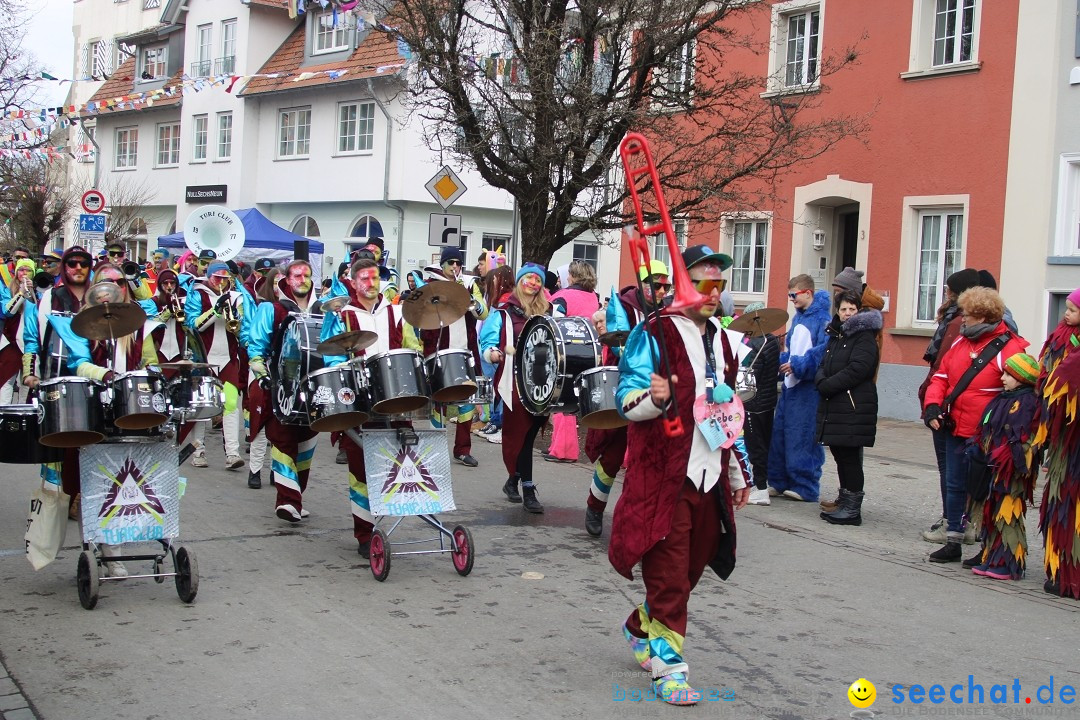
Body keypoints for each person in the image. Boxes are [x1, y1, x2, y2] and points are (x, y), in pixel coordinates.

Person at [609, 247, 749, 705]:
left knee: (692, 569)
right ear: (683, 283)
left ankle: (639, 625)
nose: (713, 293)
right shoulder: (655, 332)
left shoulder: (725, 342)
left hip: (708, 474)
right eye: (704, 283)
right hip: (664, 476)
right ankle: (670, 669)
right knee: (669, 576)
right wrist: (655, 397)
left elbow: (728, 414)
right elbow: (626, 399)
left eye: (720, 285)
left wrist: (735, 473)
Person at [922, 287, 1028, 563]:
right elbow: (940, 376)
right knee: (954, 484)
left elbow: (1021, 389)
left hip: (988, 434)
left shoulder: (1011, 346)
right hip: (955, 426)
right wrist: (932, 405)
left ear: (983, 316)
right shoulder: (960, 342)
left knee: (986, 490)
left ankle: (988, 547)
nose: (963, 319)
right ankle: (954, 540)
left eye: (968, 315)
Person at [318, 257, 405, 556]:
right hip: (359, 397)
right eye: (364, 279)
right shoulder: (341, 314)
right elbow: (329, 354)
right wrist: (346, 365)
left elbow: (410, 347)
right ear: (353, 282)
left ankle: (390, 515)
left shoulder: (395, 310)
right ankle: (364, 534)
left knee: (400, 459)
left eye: (375, 278)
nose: (371, 284)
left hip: (394, 396)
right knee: (360, 467)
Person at [248, 260, 322, 523]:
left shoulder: (321, 312)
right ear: (286, 280)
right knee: (283, 440)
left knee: (306, 444)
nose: (302, 280)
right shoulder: (272, 308)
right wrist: (263, 376)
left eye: (307, 276)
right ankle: (287, 500)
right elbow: (256, 348)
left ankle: (295, 497)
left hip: (313, 388)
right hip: (281, 388)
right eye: (297, 275)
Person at [479, 263, 553, 513]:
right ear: (520, 281)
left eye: (538, 280)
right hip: (515, 383)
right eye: (529, 278)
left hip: (541, 383)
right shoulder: (503, 313)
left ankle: (513, 481)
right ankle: (528, 490)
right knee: (521, 434)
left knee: (530, 433)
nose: (533, 283)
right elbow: (487, 342)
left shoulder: (548, 311)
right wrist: (493, 354)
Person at [917, 269, 982, 543]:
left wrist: (930, 398)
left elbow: (942, 368)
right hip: (953, 404)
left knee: (951, 469)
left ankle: (954, 522)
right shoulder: (957, 322)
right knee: (959, 469)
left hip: (952, 408)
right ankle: (961, 522)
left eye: (948, 289)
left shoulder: (956, 325)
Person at [962, 352, 1039, 581]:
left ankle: (1009, 561)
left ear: (1022, 378)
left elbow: (1023, 437)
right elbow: (987, 426)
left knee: (1008, 513)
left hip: (1011, 468)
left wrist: (1009, 457)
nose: (1003, 378)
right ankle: (992, 555)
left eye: (1008, 374)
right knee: (991, 510)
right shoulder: (1002, 398)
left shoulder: (1026, 402)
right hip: (992, 465)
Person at [815, 290, 882, 525]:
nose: (846, 314)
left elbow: (859, 369)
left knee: (850, 457)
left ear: (859, 311)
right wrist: (821, 379)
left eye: (851, 309)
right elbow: (824, 362)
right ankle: (844, 500)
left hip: (853, 404)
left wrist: (828, 385)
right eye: (843, 309)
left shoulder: (863, 336)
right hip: (836, 404)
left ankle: (853, 509)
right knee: (840, 454)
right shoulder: (837, 335)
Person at [417, 246, 488, 467]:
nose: (455, 267)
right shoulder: (430, 285)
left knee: (466, 401)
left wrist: (469, 299)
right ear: (443, 265)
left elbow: (483, 312)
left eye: (458, 263)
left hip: (464, 350)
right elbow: (418, 313)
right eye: (451, 263)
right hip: (437, 350)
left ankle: (462, 449)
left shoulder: (469, 284)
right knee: (438, 401)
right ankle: (435, 449)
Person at [766, 275, 831, 501]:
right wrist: (780, 360)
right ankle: (778, 479)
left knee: (803, 435)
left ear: (807, 292)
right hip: (790, 386)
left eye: (794, 294)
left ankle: (805, 484)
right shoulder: (798, 318)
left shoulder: (823, 320)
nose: (791, 299)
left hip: (807, 390)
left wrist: (798, 365)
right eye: (789, 295)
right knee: (781, 432)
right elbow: (793, 348)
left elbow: (822, 353)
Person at [1034, 288, 1080, 597]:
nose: (1066, 314)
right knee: (1061, 501)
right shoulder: (1060, 337)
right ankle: (1061, 568)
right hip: (1065, 440)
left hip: (1075, 442)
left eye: (1073, 310)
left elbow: (1064, 379)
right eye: (1066, 308)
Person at [185, 260, 246, 470]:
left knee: (230, 403)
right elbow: (193, 325)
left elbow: (241, 331)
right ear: (209, 277)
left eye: (225, 279)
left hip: (227, 358)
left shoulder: (236, 296)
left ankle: (232, 453)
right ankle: (198, 450)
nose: (221, 282)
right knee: (203, 406)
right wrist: (215, 311)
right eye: (217, 278)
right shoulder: (197, 293)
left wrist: (235, 317)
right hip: (204, 357)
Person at [545, 260, 600, 463]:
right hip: (590, 351)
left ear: (574, 276)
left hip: (566, 350)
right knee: (576, 401)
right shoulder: (594, 297)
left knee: (561, 399)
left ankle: (563, 449)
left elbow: (555, 323)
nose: (566, 278)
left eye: (569, 274)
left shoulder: (561, 296)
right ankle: (557, 445)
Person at [742, 301, 781, 506]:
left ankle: (760, 487)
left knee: (755, 445)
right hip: (767, 401)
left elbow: (749, 376)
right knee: (763, 444)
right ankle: (760, 483)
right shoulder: (772, 340)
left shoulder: (756, 343)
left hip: (753, 403)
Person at [475, 265, 515, 443]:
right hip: (499, 353)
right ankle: (498, 422)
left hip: (502, 356)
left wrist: (490, 350)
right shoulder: (505, 303)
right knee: (499, 388)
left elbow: (490, 330)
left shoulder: (503, 305)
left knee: (502, 388)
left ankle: (502, 425)